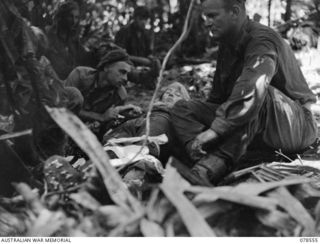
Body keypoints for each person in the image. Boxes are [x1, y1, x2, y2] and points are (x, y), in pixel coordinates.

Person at [170, 0, 318, 186]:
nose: (207, 22)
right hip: (259, 128)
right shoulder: (227, 43)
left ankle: (210, 167)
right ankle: (202, 156)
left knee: (257, 93)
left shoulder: (262, 39)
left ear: (234, 12)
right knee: (183, 108)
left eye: (212, 16)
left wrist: (215, 130)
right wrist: (199, 136)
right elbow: (217, 99)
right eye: (205, 17)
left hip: (297, 126)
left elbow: (252, 89)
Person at [104, 82, 190, 163]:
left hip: (113, 161)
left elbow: (142, 150)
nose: (171, 94)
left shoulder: (161, 119)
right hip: (108, 156)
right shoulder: (150, 116)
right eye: (168, 92)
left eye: (177, 95)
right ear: (161, 98)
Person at [65, 49, 142, 137]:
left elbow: (108, 122)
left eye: (127, 74)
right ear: (106, 67)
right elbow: (63, 107)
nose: (125, 78)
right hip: (57, 120)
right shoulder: (80, 75)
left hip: (82, 131)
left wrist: (123, 112)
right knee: (75, 95)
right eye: (122, 72)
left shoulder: (120, 95)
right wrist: (100, 116)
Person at [45, 1, 95, 80]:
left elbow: (85, 57)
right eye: (70, 16)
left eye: (76, 17)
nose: (74, 21)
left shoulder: (72, 40)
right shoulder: (49, 36)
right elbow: (58, 67)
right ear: (62, 17)